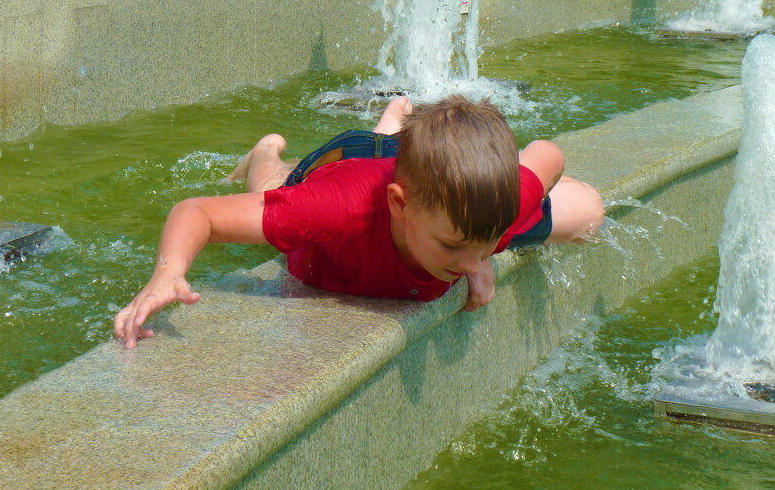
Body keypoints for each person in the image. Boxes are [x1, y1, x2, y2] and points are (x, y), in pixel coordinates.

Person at [114, 95, 604, 348]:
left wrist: (481, 249)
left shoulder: (489, 211)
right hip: (342, 163)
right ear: (399, 205)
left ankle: (395, 124)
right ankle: (266, 149)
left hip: (411, 173)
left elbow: (547, 154)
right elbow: (197, 212)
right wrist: (168, 271)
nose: (472, 261)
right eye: (455, 245)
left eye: (487, 242)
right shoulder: (333, 207)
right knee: (270, 187)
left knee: (590, 213)